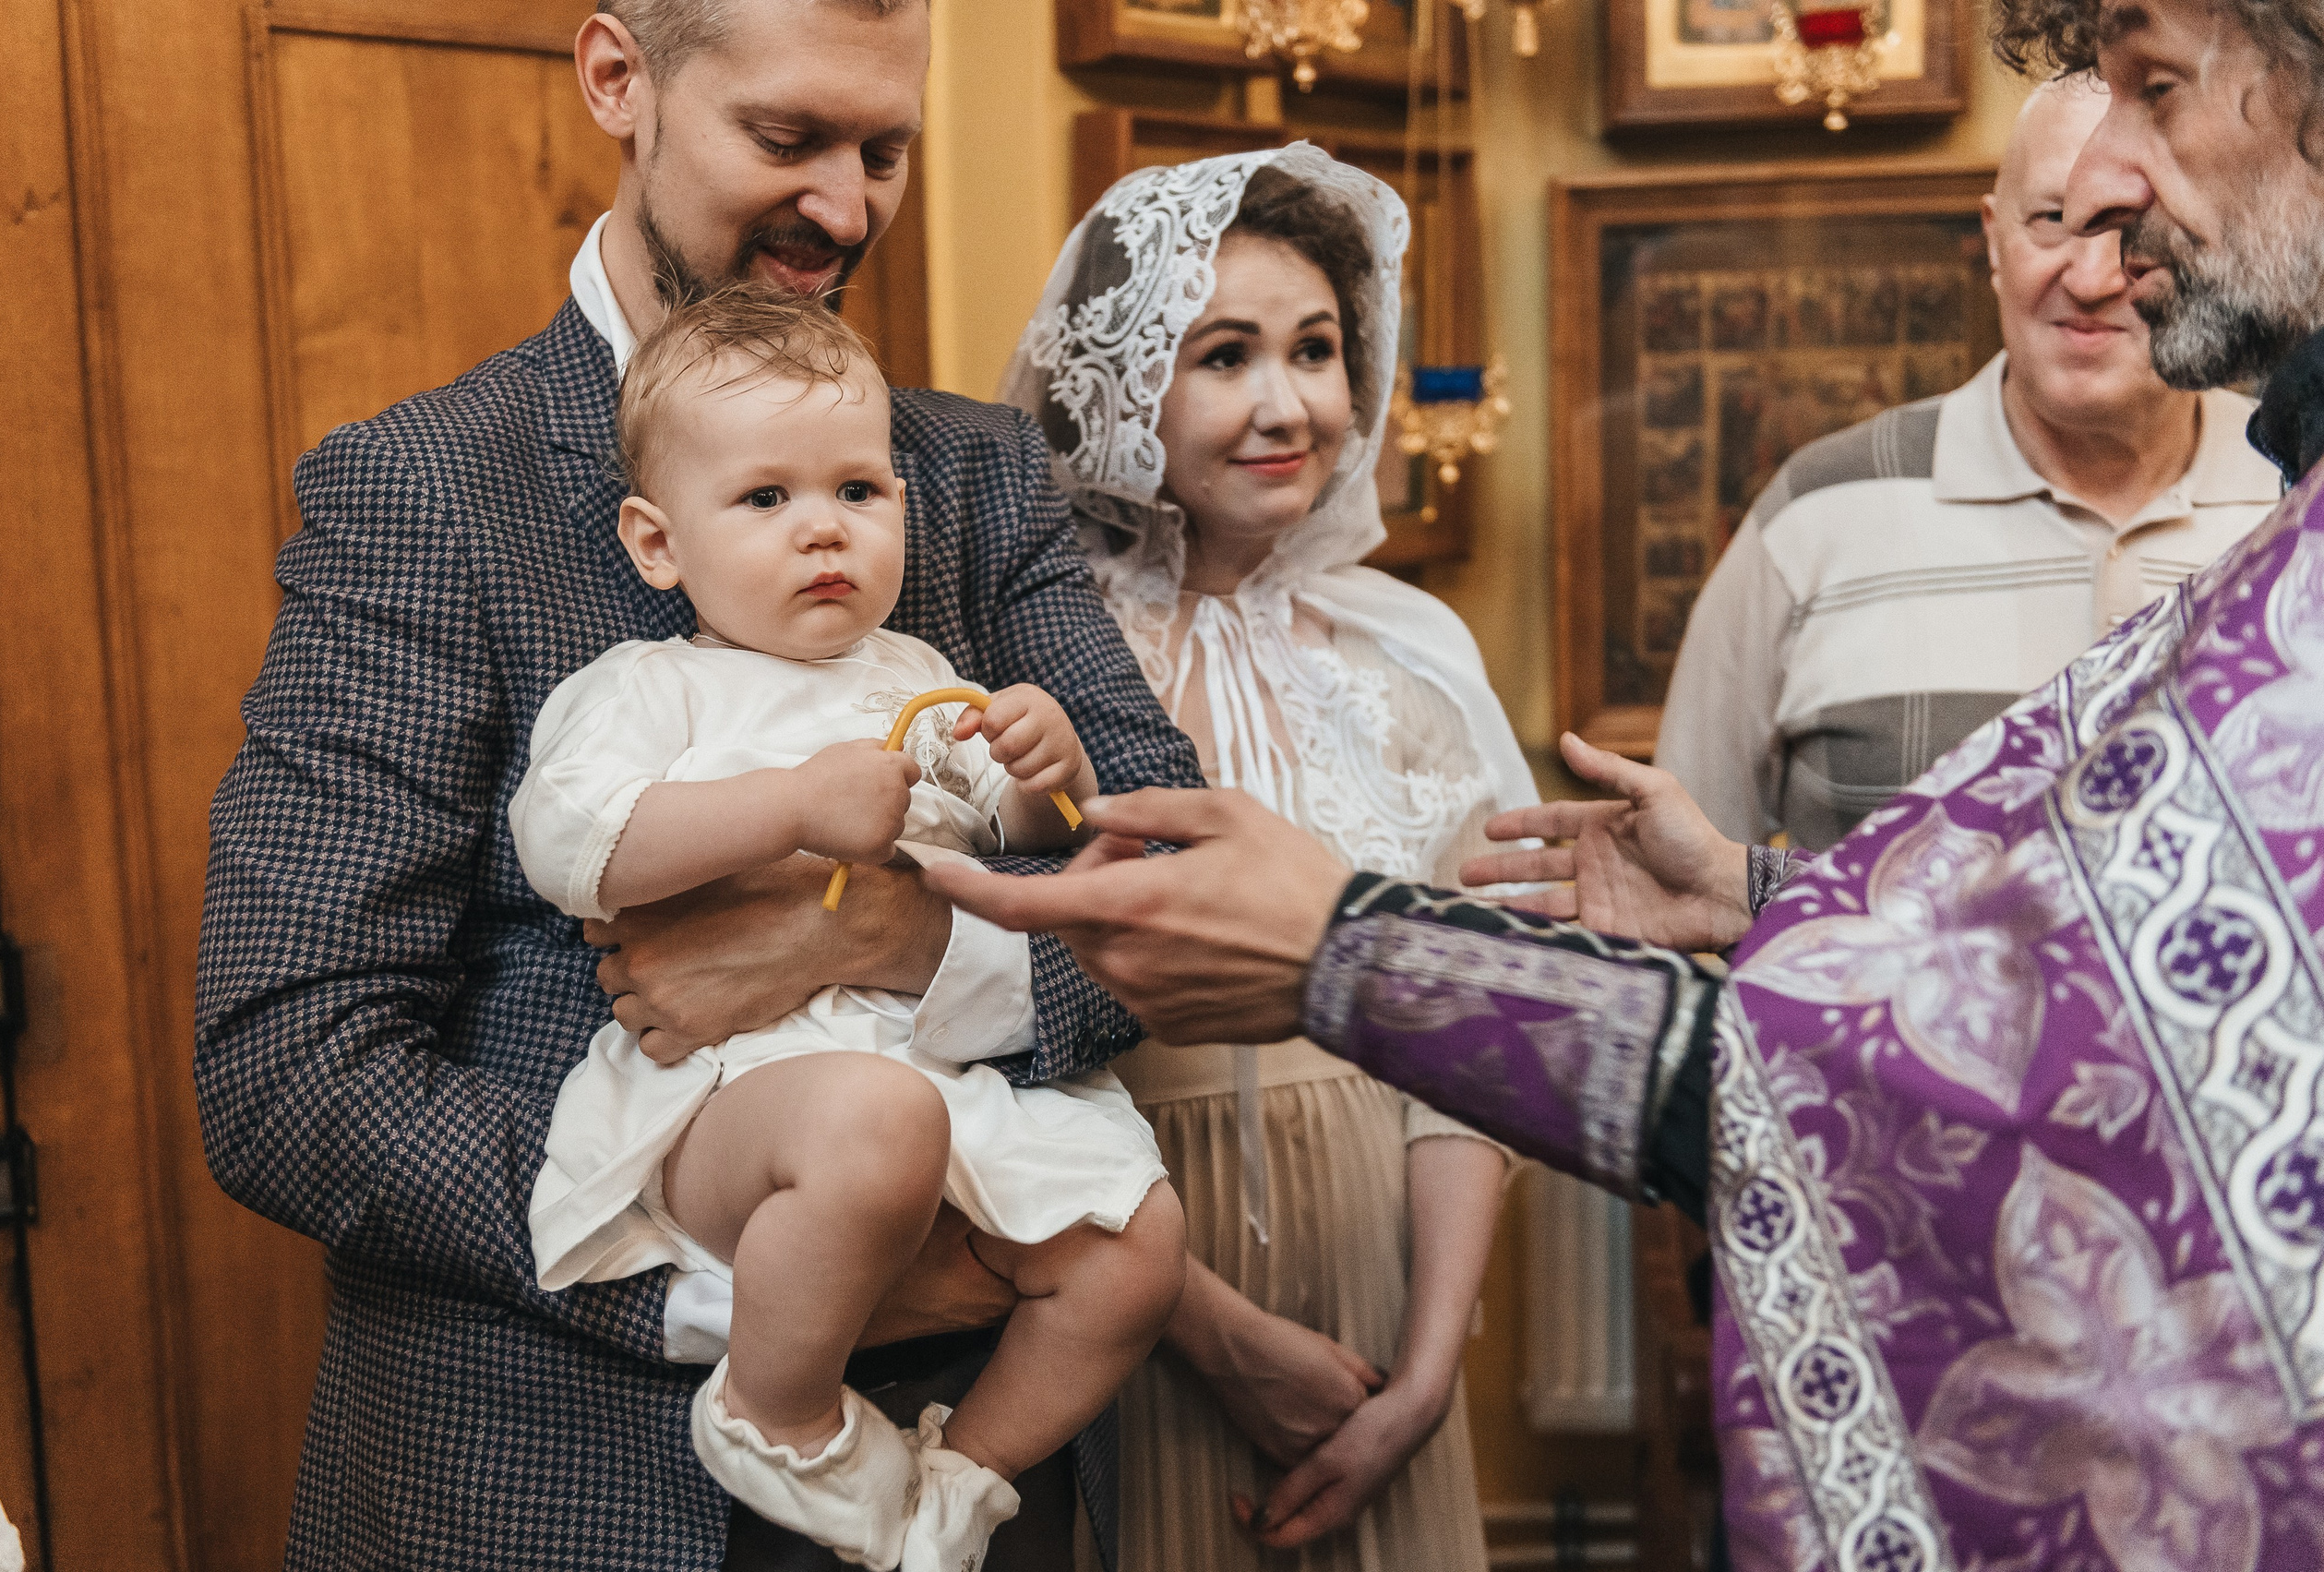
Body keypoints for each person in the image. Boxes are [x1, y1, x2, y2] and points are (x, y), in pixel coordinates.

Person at [926, 0, 2324, 1559]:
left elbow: (2065, 1073)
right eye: (1223, 354)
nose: (2111, 190)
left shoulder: (2281, 550)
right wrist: (1752, 888)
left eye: (2154, 87)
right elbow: (2103, 983)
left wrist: (1349, 950)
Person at [191, 0, 1202, 1566]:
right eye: (786, 140)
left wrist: (910, 943)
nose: (847, 210)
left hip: (956, 1468)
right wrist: (726, 1279)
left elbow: (1170, 876)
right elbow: (290, 1064)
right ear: (620, 81)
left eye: (884, 151)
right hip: (545, 1483)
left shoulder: (973, 476)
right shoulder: (423, 492)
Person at [516, 287, 1185, 1571]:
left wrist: (1049, 777)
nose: (822, 527)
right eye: (765, 500)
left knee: (1136, 1246)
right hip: (738, 1094)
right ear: (659, 545)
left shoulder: (924, 678)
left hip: (937, 1060)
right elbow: (571, 846)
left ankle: (960, 1480)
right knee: (878, 1126)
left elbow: (1038, 846)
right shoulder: (650, 688)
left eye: (858, 492)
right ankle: (777, 1411)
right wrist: (788, 805)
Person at [1000, 145, 1519, 1568]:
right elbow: (981, 1056)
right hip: (1120, 1290)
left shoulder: (1416, 651)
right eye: (1223, 356)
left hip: (1382, 1279)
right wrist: (1214, 1335)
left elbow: (1472, 1023)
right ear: (1122, 390)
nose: (1286, 403)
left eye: (1317, 350)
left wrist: (1421, 1375)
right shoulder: (1040, 663)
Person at [1655, 74, 2280, 851]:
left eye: (2135, 228)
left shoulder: (2299, 499)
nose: (2089, 280)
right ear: (1992, 239)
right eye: (2053, 219)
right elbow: (1691, 888)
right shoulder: (1813, 515)